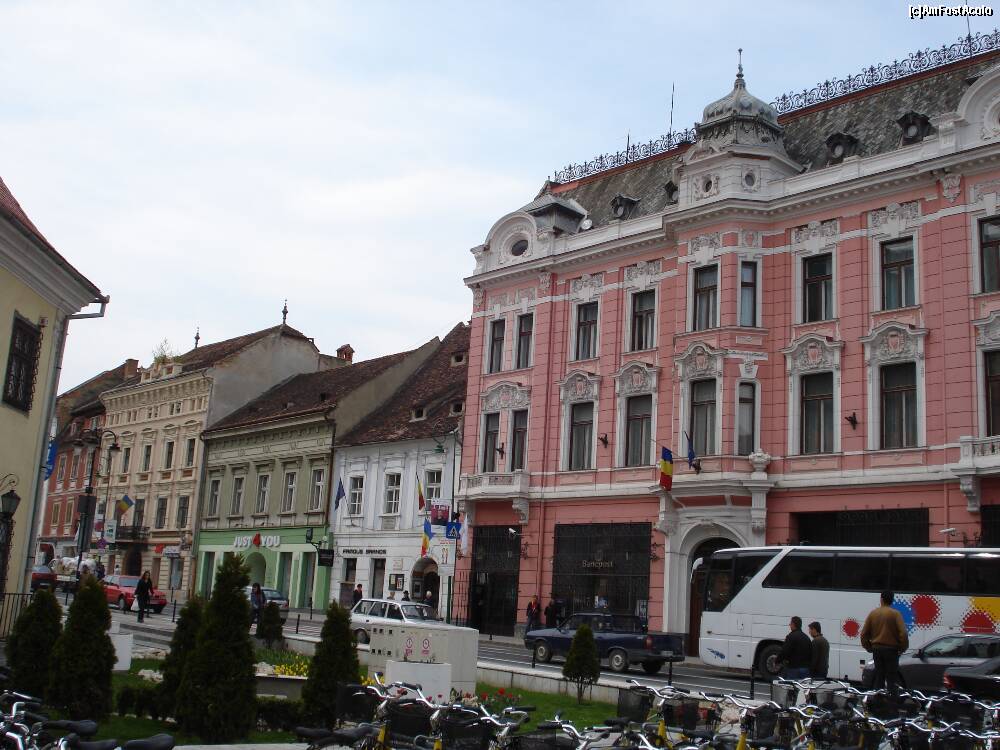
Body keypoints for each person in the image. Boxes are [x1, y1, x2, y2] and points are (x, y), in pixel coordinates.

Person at [860, 591, 908, 690]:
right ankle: (891, 697)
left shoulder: (873, 614)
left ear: (881, 599)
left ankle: (878, 697)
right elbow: (903, 633)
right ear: (892, 600)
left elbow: (864, 634)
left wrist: (869, 647)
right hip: (892, 650)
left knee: (879, 676)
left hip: (877, 649)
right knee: (892, 678)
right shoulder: (896, 614)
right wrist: (902, 648)